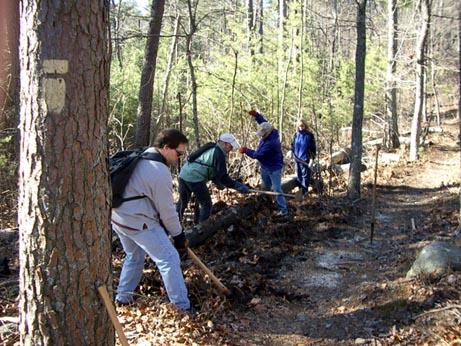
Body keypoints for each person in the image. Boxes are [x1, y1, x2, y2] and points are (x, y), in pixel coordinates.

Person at [111, 129, 190, 311]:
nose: (178, 158)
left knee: (134, 255)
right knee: (169, 258)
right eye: (178, 153)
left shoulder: (142, 155)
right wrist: (178, 235)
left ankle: (123, 298)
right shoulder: (159, 171)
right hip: (137, 222)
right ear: (165, 147)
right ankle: (181, 307)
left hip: (118, 218)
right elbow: (168, 212)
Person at [177, 133, 249, 224]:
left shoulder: (211, 147)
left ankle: (175, 227)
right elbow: (223, 177)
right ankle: (201, 229)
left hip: (184, 173)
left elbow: (213, 171)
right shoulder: (218, 154)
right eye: (230, 147)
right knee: (206, 204)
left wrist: (218, 183)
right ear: (226, 144)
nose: (230, 150)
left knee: (183, 202)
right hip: (194, 178)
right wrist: (237, 186)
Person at [239, 110, 289, 217]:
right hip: (265, 167)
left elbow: (258, 155)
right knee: (265, 187)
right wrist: (256, 116)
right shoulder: (272, 131)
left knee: (276, 189)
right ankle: (267, 205)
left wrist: (246, 150)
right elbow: (264, 122)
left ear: (268, 133)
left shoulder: (271, 143)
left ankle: (284, 211)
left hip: (274, 168)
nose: (261, 136)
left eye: (263, 134)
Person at [291, 118, 317, 194]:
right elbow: (292, 145)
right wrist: (291, 152)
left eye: (302, 126)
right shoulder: (296, 135)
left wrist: (312, 159)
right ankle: (300, 193)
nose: (301, 127)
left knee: (305, 177)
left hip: (305, 160)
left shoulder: (309, 135)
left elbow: (313, 148)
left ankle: (304, 193)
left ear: (305, 126)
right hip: (297, 159)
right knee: (299, 176)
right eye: (299, 126)